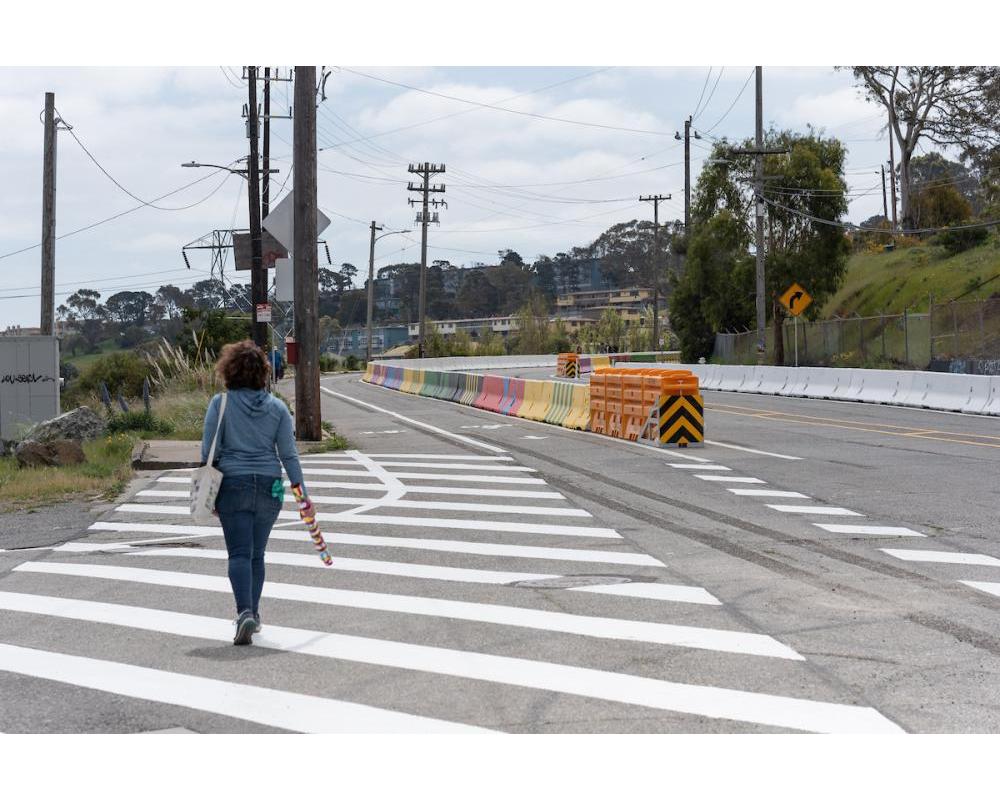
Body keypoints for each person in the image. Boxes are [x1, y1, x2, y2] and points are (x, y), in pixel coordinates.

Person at [200, 340, 304, 645]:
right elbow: (289, 455)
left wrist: (213, 494)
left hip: (233, 484)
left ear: (228, 370)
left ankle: (244, 612)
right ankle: (254, 615)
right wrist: (302, 494)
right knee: (257, 554)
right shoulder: (277, 408)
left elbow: (209, 451)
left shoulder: (220, 404)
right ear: (263, 372)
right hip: (269, 487)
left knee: (239, 553)